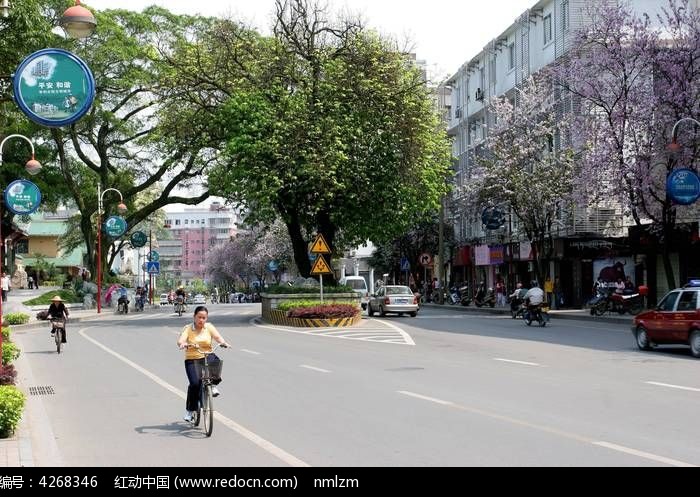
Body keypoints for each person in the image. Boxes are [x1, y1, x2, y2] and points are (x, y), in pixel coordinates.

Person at [177, 306, 230, 422]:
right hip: (192, 358)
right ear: (194, 317)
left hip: (206, 354)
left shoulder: (209, 327)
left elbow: (217, 337)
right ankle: (190, 411)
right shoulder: (188, 328)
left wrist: (223, 342)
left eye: (204, 318)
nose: (201, 320)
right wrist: (182, 344)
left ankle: (213, 385)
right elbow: (181, 340)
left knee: (216, 362)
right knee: (195, 384)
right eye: (199, 317)